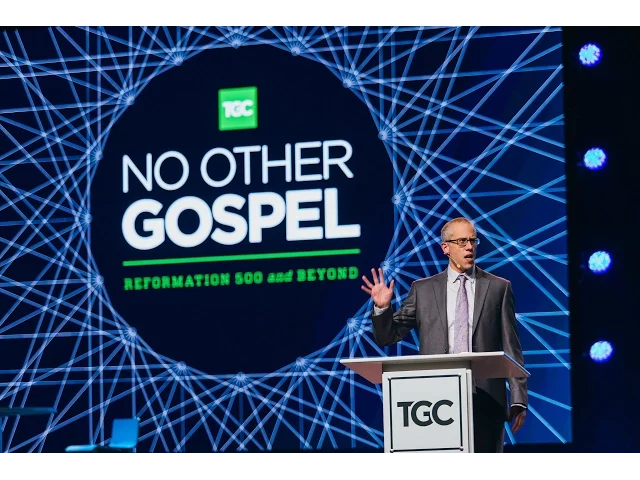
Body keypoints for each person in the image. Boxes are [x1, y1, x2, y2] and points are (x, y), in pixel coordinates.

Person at [361, 216, 527, 453]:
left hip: (486, 401)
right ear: (445, 248)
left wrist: (519, 397)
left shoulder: (499, 288)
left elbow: (512, 347)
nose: (469, 247)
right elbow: (388, 336)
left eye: (473, 241)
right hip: (435, 402)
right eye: (461, 241)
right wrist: (382, 308)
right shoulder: (423, 290)